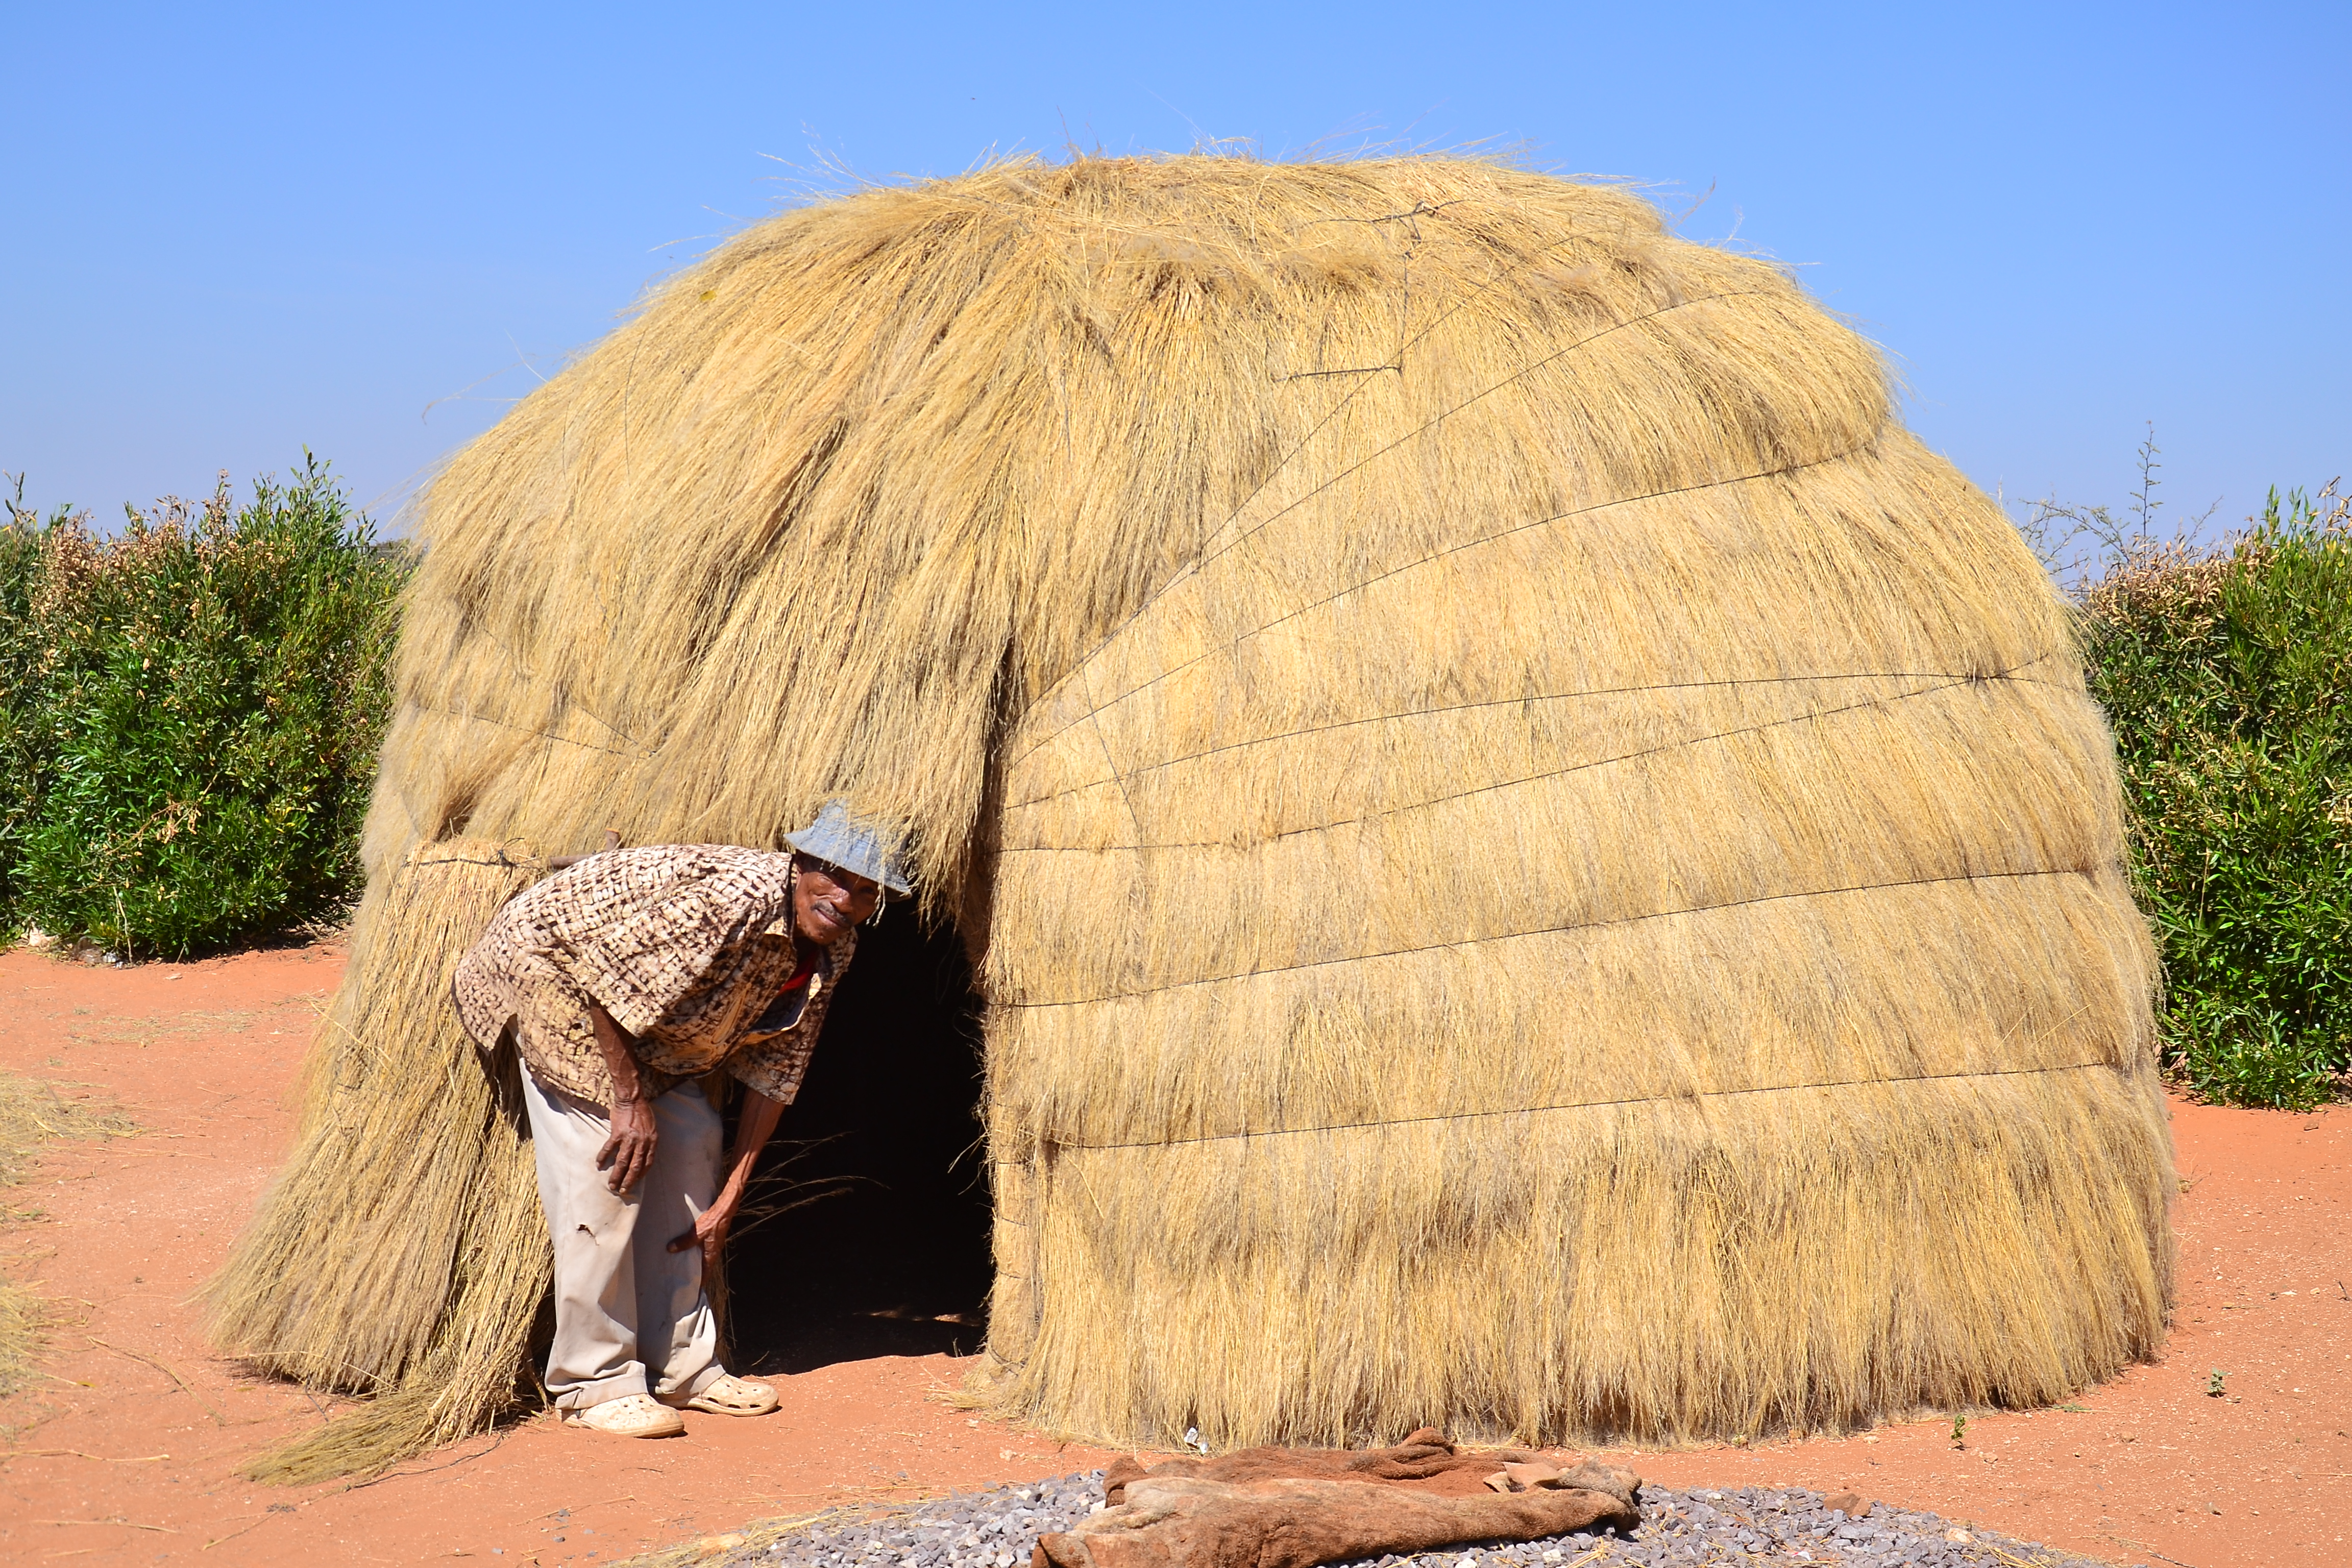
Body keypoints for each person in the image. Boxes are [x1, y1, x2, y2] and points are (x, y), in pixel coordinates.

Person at [452, 799, 909, 1438]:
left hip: (656, 1022)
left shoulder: (837, 946)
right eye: (834, 877)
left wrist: (729, 1195)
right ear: (802, 862)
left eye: (866, 892)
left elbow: (780, 1069)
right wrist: (630, 1099)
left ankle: (684, 1367)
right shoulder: (734, 899)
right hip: (558, 973)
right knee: (606, 1171)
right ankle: (593, 1381)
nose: (845, 900)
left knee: (696, 1142)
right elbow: (602, 977)